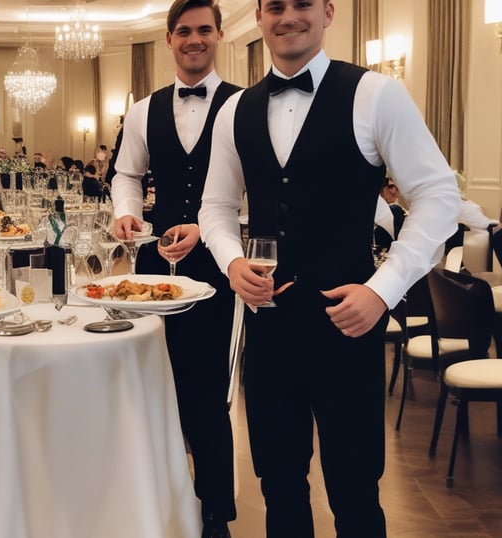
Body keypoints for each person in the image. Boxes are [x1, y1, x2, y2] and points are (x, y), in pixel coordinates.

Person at [198, 1, 460, 536]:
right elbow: (215, 208)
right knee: (279, 488)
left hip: (349, 329)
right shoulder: (235, 111)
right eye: (276, 6)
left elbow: (439, 196)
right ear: (260, 16)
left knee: (356, 490)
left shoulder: (376, 94)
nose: (288, 16)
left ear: (328, 12)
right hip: (268, 330)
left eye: (302, 4)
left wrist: (382, 290)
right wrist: (230, 260)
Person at [111, 1, 241, 536]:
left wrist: (211, 228)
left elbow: (254, 189)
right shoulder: (142, 110)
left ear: (219, 36)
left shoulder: (245, 105)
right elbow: (125, 174)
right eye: (183, 31)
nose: (194, 39)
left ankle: (215, 512)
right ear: (169, 40)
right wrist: (126, 214)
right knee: (147, 384)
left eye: (204, 30)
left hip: (217, 264)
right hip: (154, 264)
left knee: (205, 392)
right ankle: (152, 506)